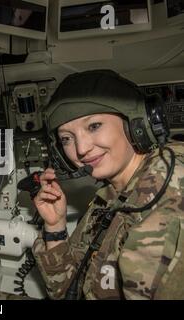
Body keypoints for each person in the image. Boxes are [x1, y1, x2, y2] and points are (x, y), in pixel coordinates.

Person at [32, 69, 184, 300]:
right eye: (66, 138)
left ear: (136, 124)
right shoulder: (114, 195)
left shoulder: (165, 203)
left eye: (94, 126)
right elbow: (67, 291)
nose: (81, 149)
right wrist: (55, 227)